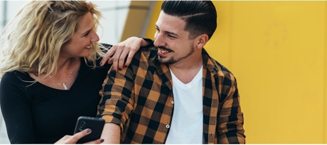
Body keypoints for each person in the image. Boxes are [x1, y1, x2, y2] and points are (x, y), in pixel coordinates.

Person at [0, 0, 148, 144]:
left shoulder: (101, 59)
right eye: (86, 33)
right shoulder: (15, 82)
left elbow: (161, 56)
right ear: (55, 38)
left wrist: (139, 41)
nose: (95, 37)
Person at [98, 0, 245, 144]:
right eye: (157, 30)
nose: (157, 41)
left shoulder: (223, 80)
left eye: (170, 35)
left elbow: (231, 133)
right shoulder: (134, 63)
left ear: (200, 41)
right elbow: (112, 114)